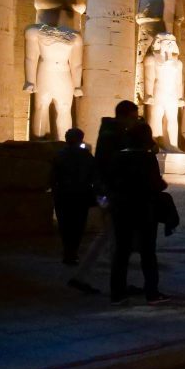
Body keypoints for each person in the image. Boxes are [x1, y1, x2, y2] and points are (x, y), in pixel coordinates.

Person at [68, 100, 141, 295]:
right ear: (124, 116)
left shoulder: (111, 133)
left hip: (107, 191)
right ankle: (109, 283)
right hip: (111, 192)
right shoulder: (113, 135)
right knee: (114, 239)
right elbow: (113, 165)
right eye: (134, 118)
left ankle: (84, 278)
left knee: (109, 238)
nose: (135, 122)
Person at [107, 120, 168, 304]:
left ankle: (117, 293)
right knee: (148, 252)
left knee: (121, 252)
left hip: (122, 208)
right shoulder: (147, 158)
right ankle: (152, 292)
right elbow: (156, 184)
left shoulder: (118, 157)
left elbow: (111, 182)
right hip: (144, 208)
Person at [51, 128, 96, 265]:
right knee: (78, 225)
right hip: (81, 194)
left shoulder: (59, 155)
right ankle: (73, 251)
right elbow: (93, 175)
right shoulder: (86, 156)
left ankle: (68, 251)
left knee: (65, 224)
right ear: (81, 139)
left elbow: (53, 176)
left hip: (63, 194)